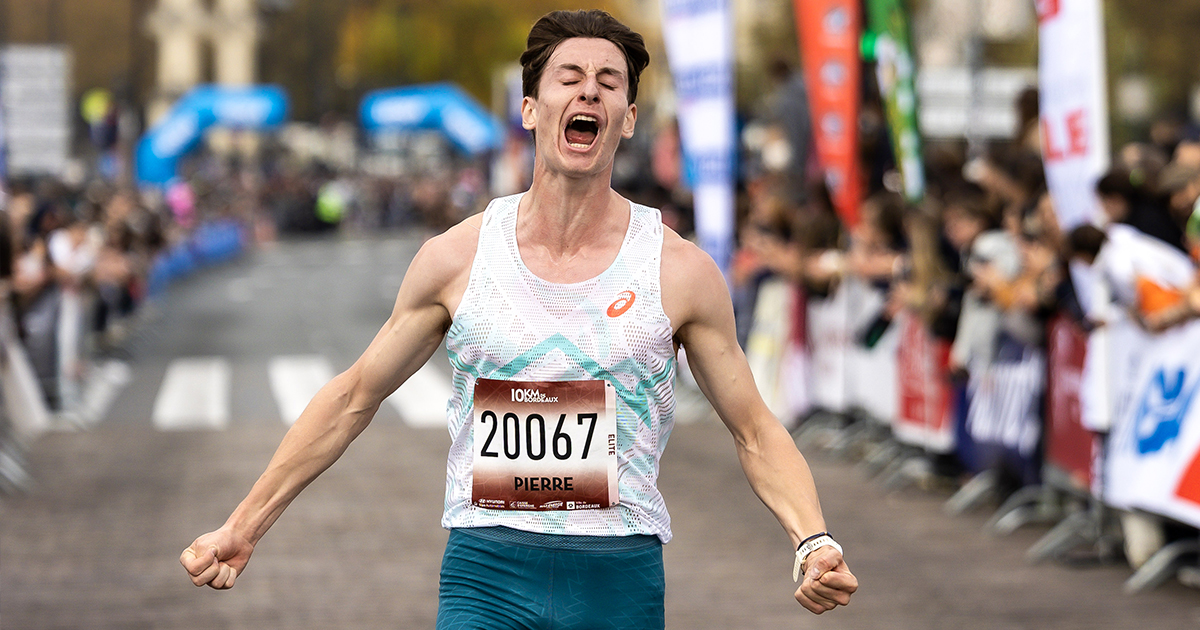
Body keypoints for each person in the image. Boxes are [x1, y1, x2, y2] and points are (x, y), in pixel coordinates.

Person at [181, 9, 857, 627]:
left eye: (609, 82)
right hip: (486, 572)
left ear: (627, 117)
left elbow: (756, 431)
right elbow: (354, 397)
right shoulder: (456, 257)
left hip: (616, 576)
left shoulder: (678, 271)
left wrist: (813, 537)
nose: (589, 91)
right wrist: (245, 525)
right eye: (570, 77)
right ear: (532, 110)